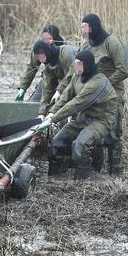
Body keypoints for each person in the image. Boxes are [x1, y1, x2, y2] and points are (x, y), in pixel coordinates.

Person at [34, 51, 117, 180]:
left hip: (100, 121)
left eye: (79, 64)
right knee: (57, 142)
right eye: (75, 63)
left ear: (88, 65)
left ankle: (83, 181)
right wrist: (51, 113)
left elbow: (75, 104)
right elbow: (66, 96)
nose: (75, 67)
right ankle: (56, 177)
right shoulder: (77, 75)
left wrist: (53, 119)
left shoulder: (97, 83)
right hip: (82, 118)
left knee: (80, 145)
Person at [80, 13, 128, 176]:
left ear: (93, 27)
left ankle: (115, 173)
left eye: (84, 27)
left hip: (112, 96)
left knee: (113, 134)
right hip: (93, 98)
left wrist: (104, 84)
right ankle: (96, 171)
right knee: (93, 132)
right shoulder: (86, 46)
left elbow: (123, 70)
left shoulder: (112, 43)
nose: (82, 31)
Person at [14, 24, 68, 102]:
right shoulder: (39, 49)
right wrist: (23, 88)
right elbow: (31, 68)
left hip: (65, 81)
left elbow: (70, 75)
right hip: (48, 79)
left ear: (55, 39)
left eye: (49, 39)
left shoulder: (65, 50)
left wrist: (60, 91)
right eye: (44, 39)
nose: (46, 42)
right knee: (34, 102)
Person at [31, 39, 76, 117]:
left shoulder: (66, 54)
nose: (41, 61)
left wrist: (59, 91)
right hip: (66, 85)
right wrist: (42, 113)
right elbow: (47, 90)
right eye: (39, 58)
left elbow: (72, 76)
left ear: (47, 52)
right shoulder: (48, 65)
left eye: (43, 57)